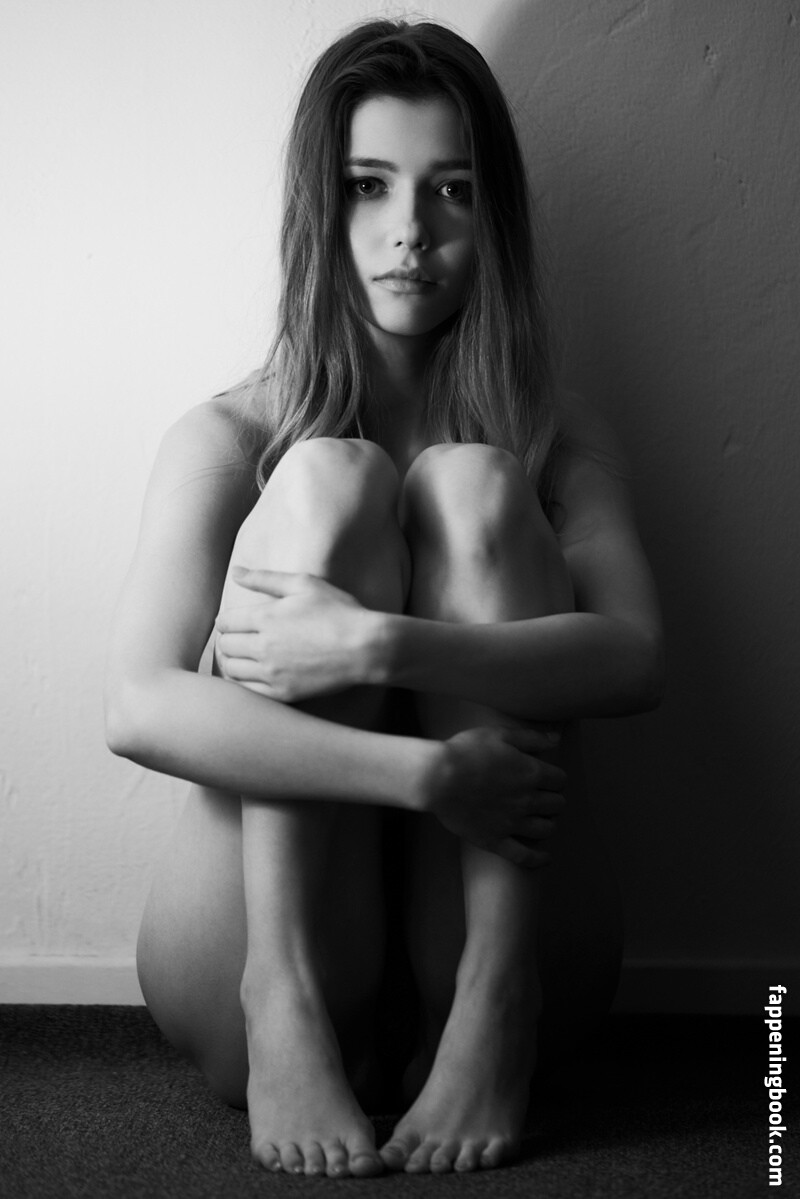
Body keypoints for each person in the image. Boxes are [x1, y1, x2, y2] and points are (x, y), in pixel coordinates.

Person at [105, 17, 664, 1179]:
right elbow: (137, 704)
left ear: (491, 217)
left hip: (503, 943)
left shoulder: (551, 440)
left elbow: (632, 656)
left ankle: (492, 997)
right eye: (368, 186)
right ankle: (286, 998)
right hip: (258, 944)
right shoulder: (230, 435)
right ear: (323, 206)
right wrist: (422, 773)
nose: (410, 230)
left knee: (473, 481)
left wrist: (372, 642)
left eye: (450, 190)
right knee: (327, 475)